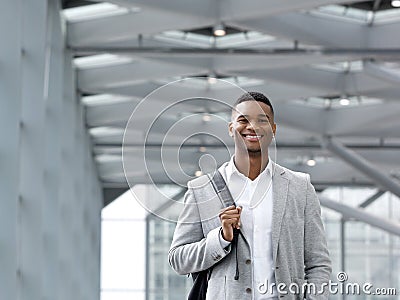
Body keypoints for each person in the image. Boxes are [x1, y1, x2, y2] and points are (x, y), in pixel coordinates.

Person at [169, 92, 332, 299]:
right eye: (243, 120)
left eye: (262, 121)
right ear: (231, 129)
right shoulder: (202, 189)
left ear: (273, 130)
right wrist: (221, 238)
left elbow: (318, 263)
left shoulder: (300, 187)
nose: (252, 126)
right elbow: (178, 259)